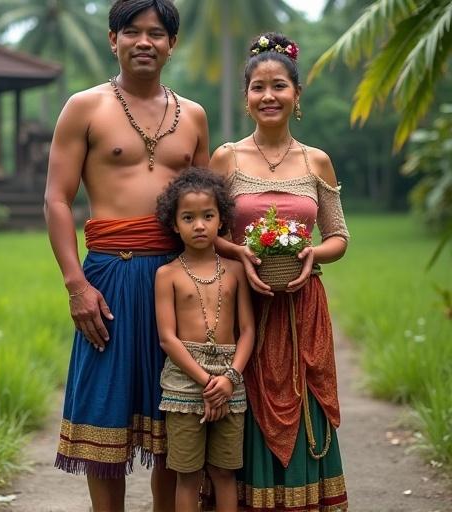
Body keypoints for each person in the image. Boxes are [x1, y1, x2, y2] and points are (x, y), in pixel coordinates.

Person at [43, 0, 209, 509]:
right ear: (112, 40)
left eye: (155, 33)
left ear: (171, 44)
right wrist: (76, 284)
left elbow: (207, 204)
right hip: (108, 278)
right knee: (106, 416)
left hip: (175, 278)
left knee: (172, 416)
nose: (144, 41)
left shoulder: (194, 116)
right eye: (131, 32)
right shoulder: (85, 107)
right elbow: (56, 198)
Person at [209, 32, 349, 511]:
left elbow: (338, 237)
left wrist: (313, 256)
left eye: (279, 86)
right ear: (246, 98)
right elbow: (206, 231)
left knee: (305, 402)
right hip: (241, 306)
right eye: (258, 88)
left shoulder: (317, 161)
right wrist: (238, 252)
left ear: (296, 95)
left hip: (302, 308)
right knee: (238, 407)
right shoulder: (226, 157)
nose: (269, 96)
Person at [154, 168, 255, 512]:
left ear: (221, 220)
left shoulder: (236, 270)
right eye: (188, 217)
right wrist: (207, 381)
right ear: (174, 224)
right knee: (188, 474)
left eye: (208, 216)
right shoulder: (166, 274)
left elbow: (248, 331)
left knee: (225, 472)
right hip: (184, 384)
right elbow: (168, 338)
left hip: (230, 380)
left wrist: (229, 379)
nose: (199, 225)